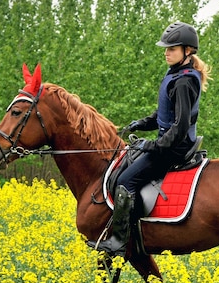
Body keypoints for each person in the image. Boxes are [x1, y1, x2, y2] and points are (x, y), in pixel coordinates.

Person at [88, 21, 211, 256]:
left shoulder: (184, 81)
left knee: (125, 181)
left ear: (187, 51)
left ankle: (119, 241)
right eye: (165, 49)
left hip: (175, 147)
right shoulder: (175, 74)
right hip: (169, 141)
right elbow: (164, 115)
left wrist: (154, 146)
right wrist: (140, 124)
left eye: (171, 49)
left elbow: (181, 125)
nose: (166, 53)